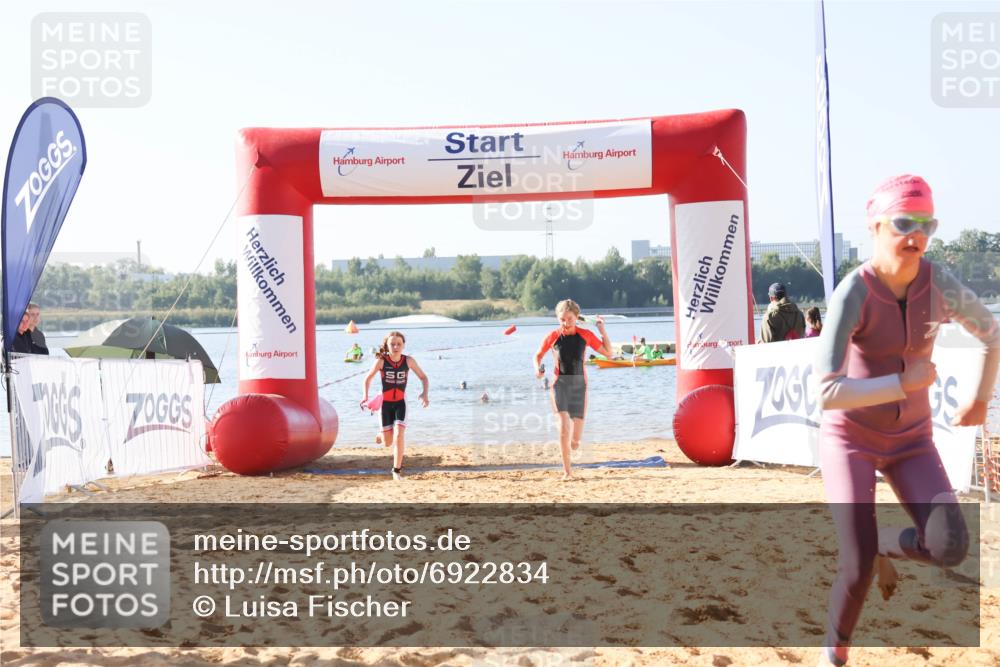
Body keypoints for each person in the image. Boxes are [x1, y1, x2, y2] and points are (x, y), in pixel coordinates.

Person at [815, 174, 1000, 666]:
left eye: (926, 224)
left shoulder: (939, 284)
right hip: (849, 439)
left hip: (911, 441)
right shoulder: (853, 293)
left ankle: (886, 545)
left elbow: (993, 334)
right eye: (903, 223)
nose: (915, 235)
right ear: (875, 226)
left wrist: (982, 398)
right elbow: (827, 391)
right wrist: (904, 383)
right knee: (855, 570)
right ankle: (833, 656)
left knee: (951, 546)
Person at [533, 299, 612, 480]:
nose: (565, 323)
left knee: (575, 442)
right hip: (559, 385)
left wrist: (602, 331)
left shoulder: (586, 335)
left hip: (579, 386)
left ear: (577, 317)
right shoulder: (553, 336)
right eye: (561, 319)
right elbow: (537, 356)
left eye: (569, 319)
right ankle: (567, 472)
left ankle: (574, 444)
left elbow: (609, 353)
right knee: (563, 427)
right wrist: (537, 370)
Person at [361, 331, 429, 481]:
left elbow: (424, 378)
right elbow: (367, 379)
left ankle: (396, 471)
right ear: (387, 345)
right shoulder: (381, 361)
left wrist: (425, 394)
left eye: (399, 344)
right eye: (392, 344)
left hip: (400, 404)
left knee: (399, 435)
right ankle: (381, 434)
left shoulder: (409, 361)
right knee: (387, 442)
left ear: (403, 345)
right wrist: (365, 397)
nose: (396, 346)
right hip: (385, 404)